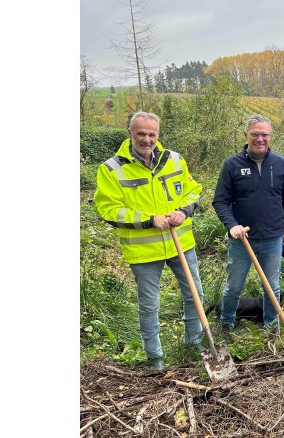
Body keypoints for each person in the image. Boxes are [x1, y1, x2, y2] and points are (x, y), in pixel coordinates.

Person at [94, 111, 206, 371]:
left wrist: (183, 211)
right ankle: (155, 357)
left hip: (181, 241)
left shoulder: (175, 160)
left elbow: (193, 190)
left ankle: (195, 341)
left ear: (158, 135)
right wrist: (148, 220)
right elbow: (109, 210)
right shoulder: (112, 169)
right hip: (144, 251)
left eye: (151, 134)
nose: (147, 139)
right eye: (141, 133)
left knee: (195, 294)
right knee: (150, 304)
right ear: (130, 133)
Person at [213, 115, 284, 331]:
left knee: (272, 287)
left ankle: (271, 327)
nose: (260, 138)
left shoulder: (280, 164)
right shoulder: (232, 164)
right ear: (246, 135)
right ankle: (226, 325)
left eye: (264, 134)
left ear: (271, 136)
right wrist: (232, 225)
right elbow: (220, 201)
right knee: (233, 287)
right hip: (242, 239)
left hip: (272, 238)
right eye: (255, 134)